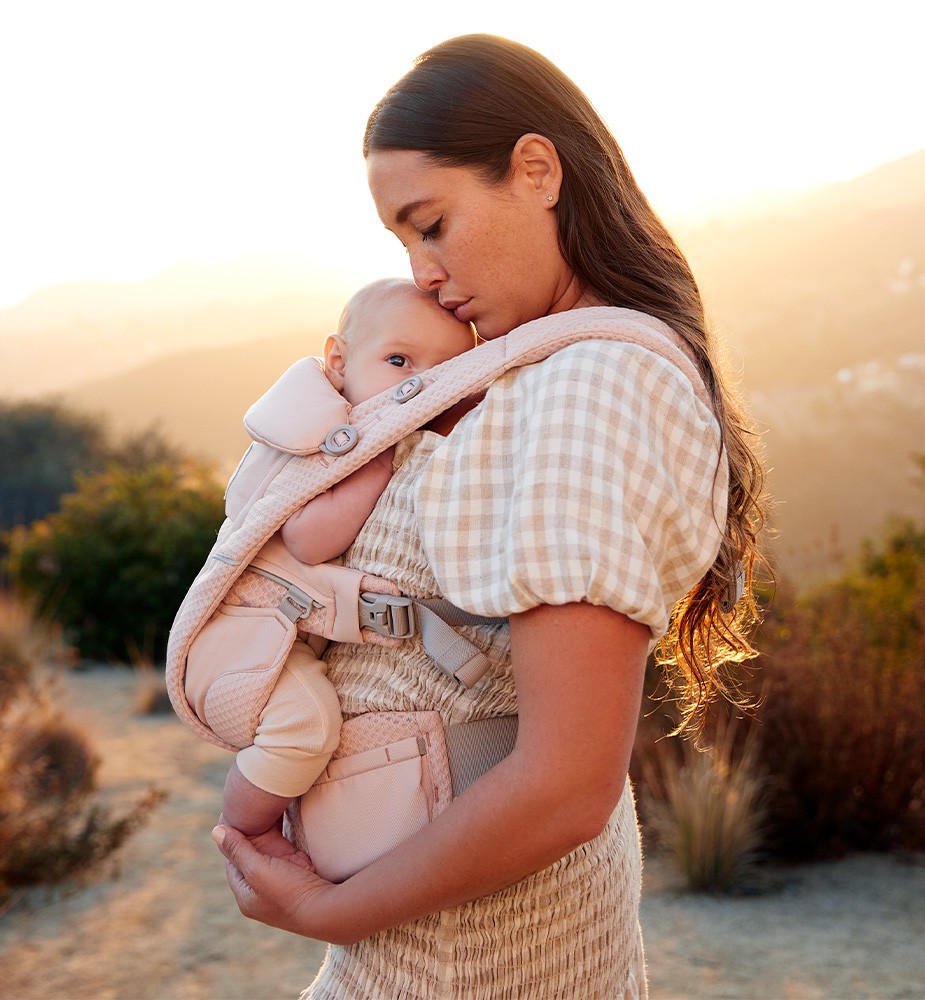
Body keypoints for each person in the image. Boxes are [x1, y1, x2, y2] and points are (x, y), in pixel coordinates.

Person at [210, 34, 766, 999]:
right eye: (401, 242)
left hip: (481, 958)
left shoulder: (591, 385)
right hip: (438, 938)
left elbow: (563, 786)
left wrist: (324, 910)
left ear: (537, 169)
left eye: (432, 223)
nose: (423, 272)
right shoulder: (532, 376)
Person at [213, 277, 476, 873]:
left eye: (448, 371)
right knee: (302, 728)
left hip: (291, 630)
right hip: (243, 629)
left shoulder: (380, 426)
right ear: (338, 362)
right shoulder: (340, 440)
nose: (420, 386)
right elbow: (307, 538)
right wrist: (375, 464)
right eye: (398, 361)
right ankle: (245, 834)